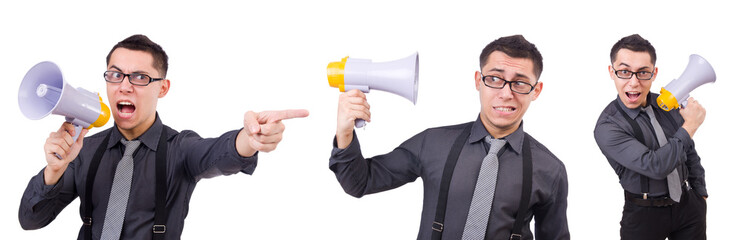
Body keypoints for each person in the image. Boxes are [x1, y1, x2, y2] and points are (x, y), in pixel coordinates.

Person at [18, 34, 309, 240]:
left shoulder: (180, 149)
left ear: (163, 88)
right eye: (115, 75)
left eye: (140, 77)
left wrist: (250, 137)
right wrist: (53, 172)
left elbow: (219, 152)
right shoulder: (84, 150)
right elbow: (30, 221)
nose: (125, 87)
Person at [329, 35, 569, 240]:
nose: (506, 94)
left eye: (519, 82)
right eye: (495, 79)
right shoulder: (432, 143)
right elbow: (359, 182)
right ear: (478, 81)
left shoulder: (550, 169)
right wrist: (345, 133)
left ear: (535, 91)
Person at [594, 34, 707, 240]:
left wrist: (700, 193)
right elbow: (655, 166)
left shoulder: (666, 105)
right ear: (612, 72)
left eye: (643, 72)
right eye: (625, 72)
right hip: (643, 215)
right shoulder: (608, 126)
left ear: (654, 74)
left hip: (688, 206)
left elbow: (688, 150)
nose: (634, 82)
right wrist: (690, 125)